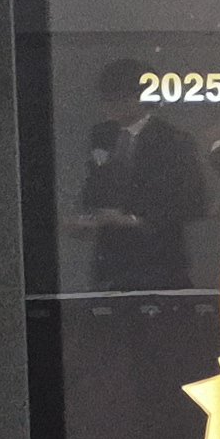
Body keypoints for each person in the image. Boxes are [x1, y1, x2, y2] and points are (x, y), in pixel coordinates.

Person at [70, 61, 205, 290]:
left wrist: (133, 220)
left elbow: (193, 203)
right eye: (107, 99)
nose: (110, 106)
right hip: (110, 263)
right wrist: (88, 219)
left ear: (141, 97)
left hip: (160, 261)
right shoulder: (102, 134)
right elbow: (94, 188)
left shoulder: (173, 139)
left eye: (119, 98)